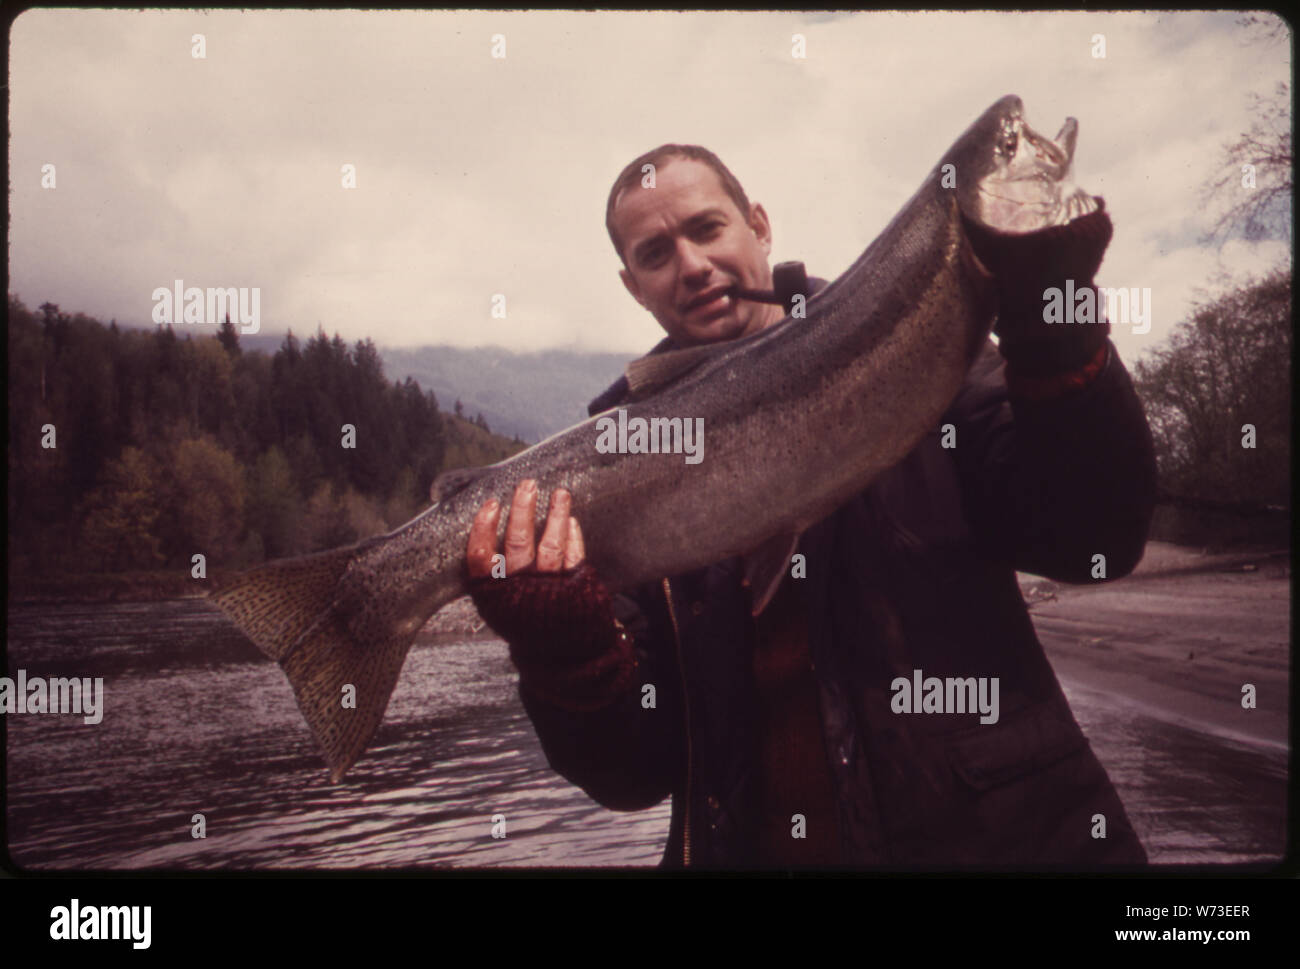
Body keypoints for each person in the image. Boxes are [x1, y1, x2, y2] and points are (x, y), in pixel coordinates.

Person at [461, 143, 1157, 868]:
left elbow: (1093, 535)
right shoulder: (611, 472)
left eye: (707, 228)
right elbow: (635, 772)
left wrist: (1058, 335)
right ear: (633, 285)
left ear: (759, 225)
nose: (692, 264)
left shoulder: (917, 344)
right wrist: (568, 656)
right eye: (656, 252)